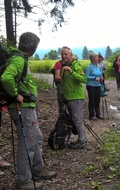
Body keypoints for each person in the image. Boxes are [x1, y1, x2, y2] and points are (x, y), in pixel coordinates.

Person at [1, 32, 57, 189]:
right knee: (28, 141)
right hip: (22, 107)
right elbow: (6, 78)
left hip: (27, 107)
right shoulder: (19, 59)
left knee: (36, 137)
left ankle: (37, 170)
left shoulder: (18, 57)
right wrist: (15, 94)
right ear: (33, 48)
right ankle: (24, 180)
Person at [60, 46, 88, 149]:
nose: (63, 56)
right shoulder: (64, 66)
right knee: (74, 119)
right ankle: (79, 139)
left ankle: (82, 141)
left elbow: (84, 79)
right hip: (68, 97)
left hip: (76, 97)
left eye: (66, 54)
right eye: (62, 54)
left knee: (77, 119)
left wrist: (71, 72)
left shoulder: (75, 65)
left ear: (71, 55)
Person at [85, 52, 103, 120]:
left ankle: (98, 114)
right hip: (90, 85)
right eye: (96, 57)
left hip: (97, 85)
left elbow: (100, 74)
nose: (97, 58)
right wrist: (94, 78)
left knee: (97, 100)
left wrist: (101, 77)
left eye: (97, 57)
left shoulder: (99, 66)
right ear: (92, 59)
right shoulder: (89, 67)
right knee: (92, 100)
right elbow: (86, 77)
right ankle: (92, 115)